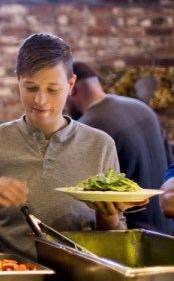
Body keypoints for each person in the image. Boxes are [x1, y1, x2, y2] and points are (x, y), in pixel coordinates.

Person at [0, 33, 144, 261]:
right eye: (31, 88)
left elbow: (116, 245)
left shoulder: (100, 145)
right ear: (18, 80)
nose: (40, 101)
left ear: (71, 85)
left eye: (52, 90)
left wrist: (108, 216)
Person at [66, 61, 174, 234]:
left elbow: (89, 196)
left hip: (132, 235)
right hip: (167, 229)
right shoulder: (142, 108)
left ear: (72, 89)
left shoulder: (90, 127)